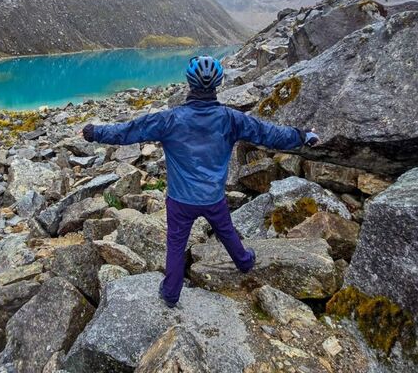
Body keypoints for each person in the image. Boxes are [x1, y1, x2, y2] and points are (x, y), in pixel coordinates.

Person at [81, 55, 320, 308]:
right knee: (225, 230)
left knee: (176, 244)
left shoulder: (169, 119)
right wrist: (303, 136)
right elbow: (269, 134)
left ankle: (171, 293)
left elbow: (128, 131)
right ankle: (245, 262)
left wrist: (94, 132)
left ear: (189, 82)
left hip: (180, 200)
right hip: (213, 197)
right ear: (217, 83)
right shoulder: (230, 118)